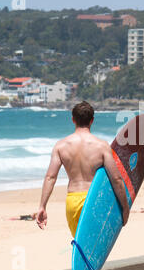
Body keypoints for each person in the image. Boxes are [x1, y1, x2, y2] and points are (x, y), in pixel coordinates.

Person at [36, 101, 130, 238]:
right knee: (94, 246)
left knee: (81, 245)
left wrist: (42, 206)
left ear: (73, 120)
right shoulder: (102, 146)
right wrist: (125, 208)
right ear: (92, 120)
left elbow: (50, 177)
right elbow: (116, 179)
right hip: (94, 200)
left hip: (73, 201)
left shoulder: (61, 146)